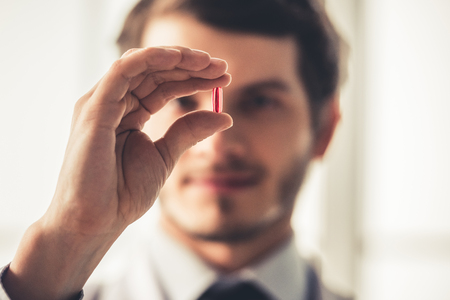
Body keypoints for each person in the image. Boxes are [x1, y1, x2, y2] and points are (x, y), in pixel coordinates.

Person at [0, 0, 348, 299]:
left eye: (260, 102)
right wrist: (64, 247)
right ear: (129, 113)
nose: (216, 145)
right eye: (180, 99)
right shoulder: (39, 290)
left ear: (325, 129)